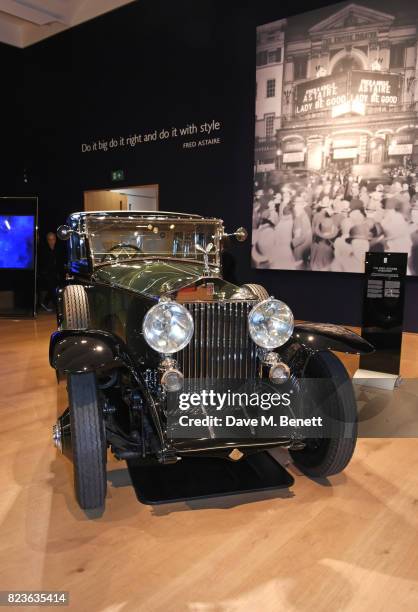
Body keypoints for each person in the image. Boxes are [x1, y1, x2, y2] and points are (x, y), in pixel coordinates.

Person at [38, 231, 62, 311]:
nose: (52, 242)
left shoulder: (57, 249)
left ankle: (44, 303)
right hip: (46, 273)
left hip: (54, 273)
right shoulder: (44, 250)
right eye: (50, 240)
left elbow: (57, 262)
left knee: (54, 287)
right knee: (52, 288)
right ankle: (58, 307)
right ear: (47, 240)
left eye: (53, 239)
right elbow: (43, 263)